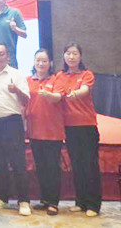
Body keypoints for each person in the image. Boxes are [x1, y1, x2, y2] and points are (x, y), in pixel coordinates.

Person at [0, 42, 31, 215]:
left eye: (1, 54)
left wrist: (16, 90)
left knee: (18, 162)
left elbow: (26, 100)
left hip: (12, 122)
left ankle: (24, 201)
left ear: (8, 56)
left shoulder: (16, 74)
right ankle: (3, 198)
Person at [58, 43, 101, 217]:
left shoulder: (86, 74)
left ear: (80, 56)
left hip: (86, 126)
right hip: (69, 128)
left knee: (90, 165)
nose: (71, 56)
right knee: (76, 165)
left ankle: (93, 205)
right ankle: (81, 202)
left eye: (75, 53)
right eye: (68, 53)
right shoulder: (60, 76)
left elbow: (84, 90)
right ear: (64, 56)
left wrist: (75, 93)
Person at [25, 48, 65, 216]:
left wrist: (48, 94)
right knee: (40, 167)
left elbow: (58, 97)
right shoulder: (28, 80)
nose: (41, 63)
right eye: (38, 60)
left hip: (52, 132)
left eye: (44, 61)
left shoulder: (56, 79)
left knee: (52, 167)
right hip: (34, 131)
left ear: (50, 63)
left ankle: (53, 202)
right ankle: (44, 200)